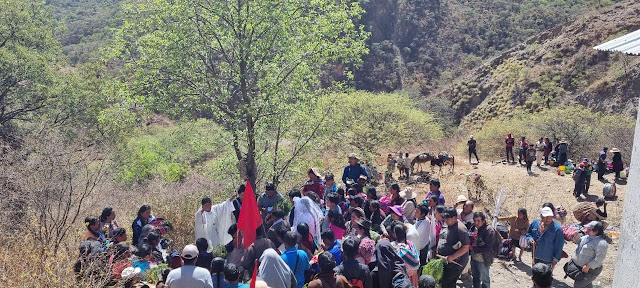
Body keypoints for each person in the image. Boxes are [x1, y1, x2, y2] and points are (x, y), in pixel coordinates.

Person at [438, 207, 470, 288]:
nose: (445, 220)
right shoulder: (449, 224)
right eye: (445, 218)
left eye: (447, 219)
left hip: (456, 262)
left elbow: (465, 247)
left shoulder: (461, 229)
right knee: (444, 281)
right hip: (447, 260)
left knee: (449, 283)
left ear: (454, 218)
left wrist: (452, 257)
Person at [571, 221, 608, 288]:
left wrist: (588, 266)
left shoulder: (601, 243)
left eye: (589, 229)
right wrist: (576, 237)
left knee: (578, 285)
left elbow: (599, 258)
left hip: (591, 270)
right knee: (587, 284)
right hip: (583, 268)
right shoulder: (587, 237)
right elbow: (579, 243)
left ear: (596, 231)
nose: (586, 230)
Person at [470, 212, 496, 288]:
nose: (476, 223)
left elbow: (487, 247)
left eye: (478, 221)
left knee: (485, 279)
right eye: (474, 220)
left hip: (483, 259)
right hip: (473, 257)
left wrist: (473, 248)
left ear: (484, 221)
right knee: (475, 276)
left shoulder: (489, 231)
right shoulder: (473, 228)